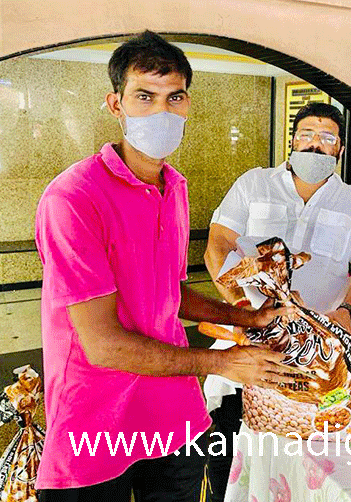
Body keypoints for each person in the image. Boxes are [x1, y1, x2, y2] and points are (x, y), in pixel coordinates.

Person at [34, 31, 297, 502]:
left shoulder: (173, 186)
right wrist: (222, 363)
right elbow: (103, 345)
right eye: (144, 96)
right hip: (97, 419)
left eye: (174, 97)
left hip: (172, 411)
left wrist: (244, 317)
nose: (161, 111)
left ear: (188, 104)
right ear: (116, 104)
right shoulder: (73, 198)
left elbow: (165, 292)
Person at [203, 102, 351, 502]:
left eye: (327, 137)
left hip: (317, 357)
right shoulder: (254, 184)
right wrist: (241, 309)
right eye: (306, 134)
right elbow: (217, 246)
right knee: (230, 442)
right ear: (292, 141)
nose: (315, 144)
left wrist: (347, 313)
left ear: (340, 149)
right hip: (249, 341)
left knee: (307, 457)